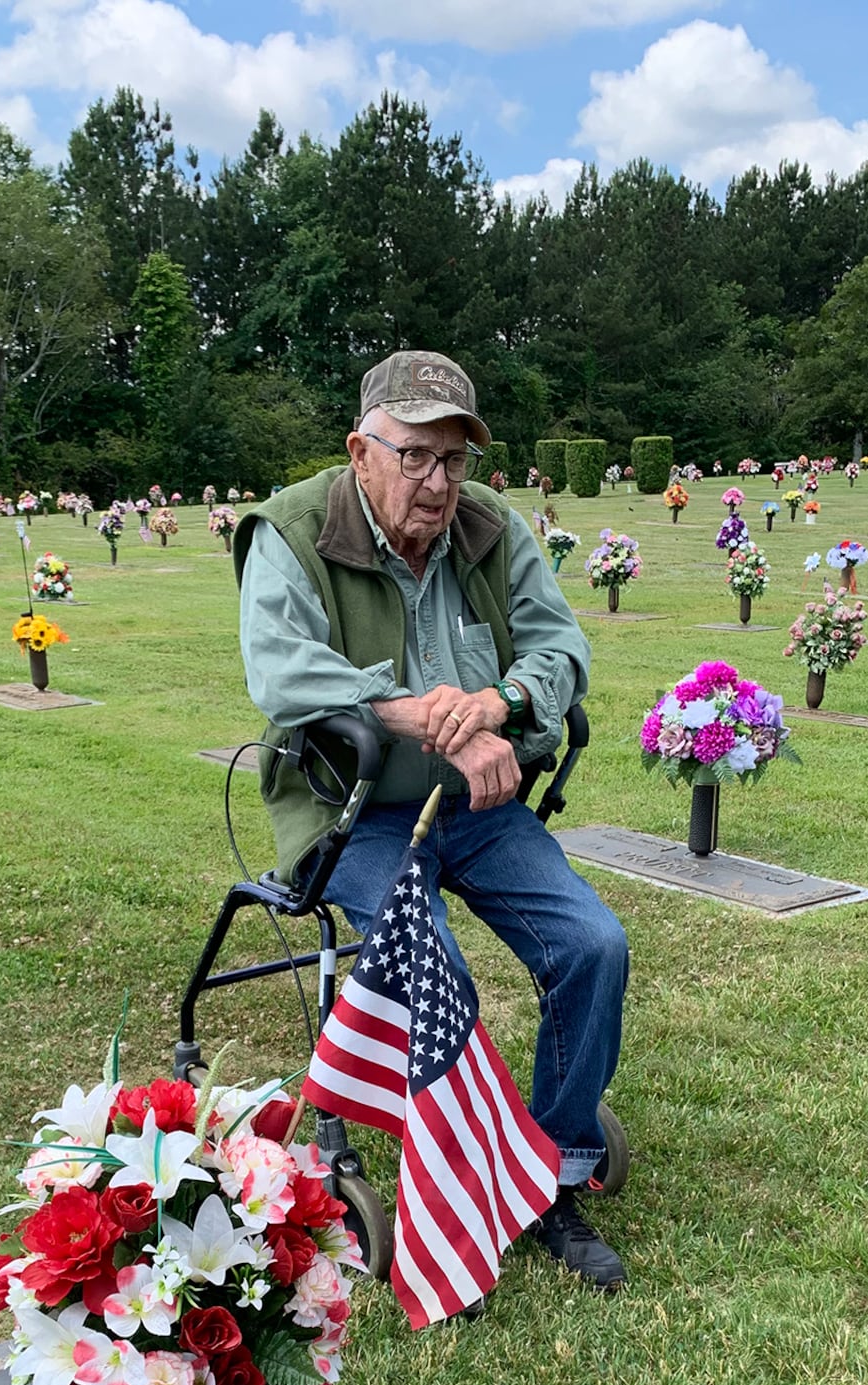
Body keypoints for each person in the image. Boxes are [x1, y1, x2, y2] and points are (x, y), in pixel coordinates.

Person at [233, 350, 628, 1293]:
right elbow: (281, 675)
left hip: (472, 806)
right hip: (352, 808)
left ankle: (557, 1173)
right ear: (360, 450)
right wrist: (422, 715)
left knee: (593, 944)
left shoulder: (493, 528)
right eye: (413, 456)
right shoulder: (291, 529)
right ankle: (451, 1190)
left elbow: (561, 645)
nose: (438, 482)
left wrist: (499, 703)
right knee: (434, 966)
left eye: (453, 459)